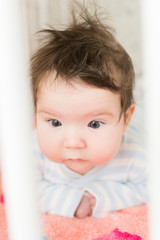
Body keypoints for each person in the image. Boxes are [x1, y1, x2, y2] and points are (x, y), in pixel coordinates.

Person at [30, 4, 148, 219]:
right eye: (55, 122)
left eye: (94, 124)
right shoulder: (32, 154)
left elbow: (150, 189)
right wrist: (73, 201)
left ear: (125, 120)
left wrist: (103, 197)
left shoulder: (136, 158)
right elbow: (23, 190)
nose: (73, 143)